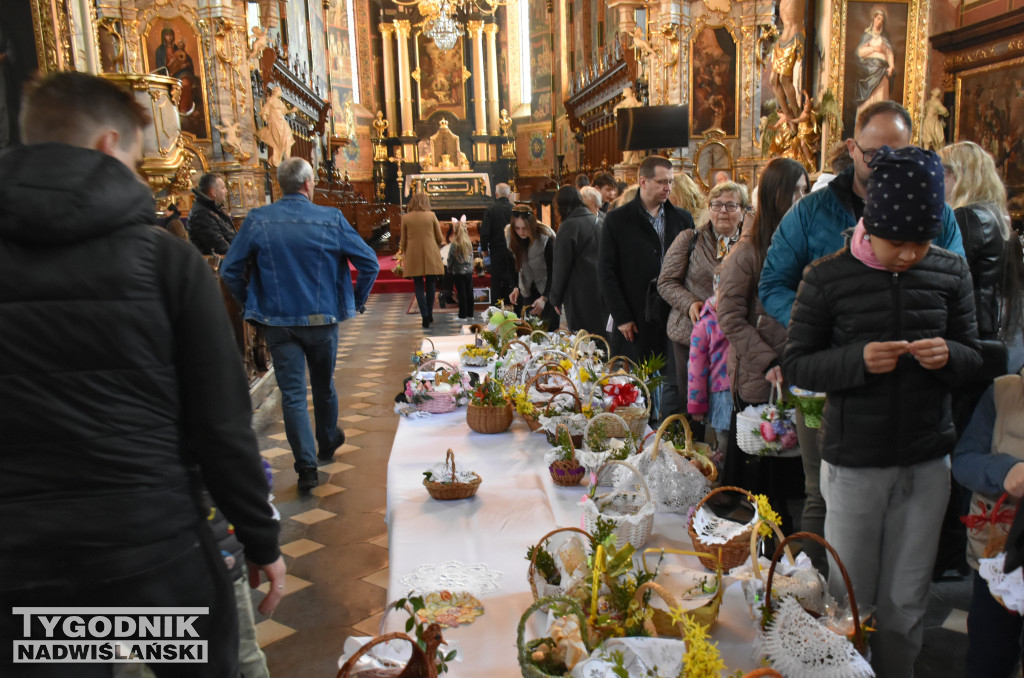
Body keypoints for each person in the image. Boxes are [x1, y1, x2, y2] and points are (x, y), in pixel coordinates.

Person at [0, 71, 285, 674]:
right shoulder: (166, 262)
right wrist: (258, 536)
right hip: (153, 552)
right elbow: (220, 424)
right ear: (110, 145)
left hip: (24, 565)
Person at [783, 146, 982, 678]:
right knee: (851, 597)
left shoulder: (950, 271)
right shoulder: (827, 276)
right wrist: (858, 360)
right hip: (855, 462)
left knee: (907, 599)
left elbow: (974, 355)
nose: (910, 254)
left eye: (923, 242)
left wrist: (950, 355)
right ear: (871, 225)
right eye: (898, 242)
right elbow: (798, 363)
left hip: (926, 460)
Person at [221, 157, 379, 492]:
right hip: (321, 319)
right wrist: (356, 300)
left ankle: (306, 467)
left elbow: (229, 269)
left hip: (278, 321)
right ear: (309, 184)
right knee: (323, 386)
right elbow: (370, 263)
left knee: (292, 394)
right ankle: (327, 440)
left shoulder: (258, 219)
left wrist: (250, 302)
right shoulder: (330, 218)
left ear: (281, 185)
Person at [759, 100, 965, 329]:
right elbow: (774, 285)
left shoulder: (938, 214)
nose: (884, 163)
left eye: (896, 154)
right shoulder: (808, 212)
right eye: (872, 153)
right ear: (852, 148)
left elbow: (956, 284)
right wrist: (817, 326)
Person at [717, 158, 809, 541]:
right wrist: (767, 359)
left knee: (791, 470)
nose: (803, 199)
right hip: (762, 376)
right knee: (759, 476)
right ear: (776, 196)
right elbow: (730, 317)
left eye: (806, 191)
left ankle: (786, 548)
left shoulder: (803, 243)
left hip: (798, 371)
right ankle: (756, 548)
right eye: (796, 192)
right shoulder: (748, 252)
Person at [953, 370, 1024, 678]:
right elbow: (964, 461)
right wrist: (1004, 471)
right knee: (989, 656)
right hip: (999, 555)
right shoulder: (1004, 392)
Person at [658, 181, 746, 417]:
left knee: (731, 401)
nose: (722, 211)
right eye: (716, 205)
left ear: (743, 210)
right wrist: (690, 303)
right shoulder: (690, 239)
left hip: (735, 336)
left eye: (731, 205)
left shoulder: (751, 245)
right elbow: (666, 281)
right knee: (692, 402)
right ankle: (692, 437)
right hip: (691, 332)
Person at [600, 156, 695, 366]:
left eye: (670, 182)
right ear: (643, 182)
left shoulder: (683, 218)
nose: (668, 187)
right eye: (662, 182)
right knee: (637, 378)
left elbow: (691, 266)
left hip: (673, 315)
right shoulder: (617, 220)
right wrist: (622, 316)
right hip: (635, 315)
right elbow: (606, 272)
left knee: (673, 378)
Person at [550, 185, 607, 336]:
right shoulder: (600, 221)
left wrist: (556, 298)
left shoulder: (568, 226)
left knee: (583, 338)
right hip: (602, 288)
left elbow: (561, 267)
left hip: (579, 293)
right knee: (601, 335)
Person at [687, 274, 731, 461]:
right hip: (722, 394)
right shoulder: (705, 324)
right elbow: (696, 368)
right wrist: (696, 404)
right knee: (724, 445)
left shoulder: (742, 317)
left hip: (743, 392)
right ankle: (721, 474)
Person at [507, 204, 559, 330]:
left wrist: (544, 298)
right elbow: (511, 264)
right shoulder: (511, 237)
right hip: (527, 288)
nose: (521, 232)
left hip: (548, 288)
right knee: (530, 330)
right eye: (517, 228)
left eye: (525, 228)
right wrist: (515, 287)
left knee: (549, 330)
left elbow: (553, 272)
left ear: (532, 225)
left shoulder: (545, 238)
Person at [400, 192, 444, 328]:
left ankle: (424, 315)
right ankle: (429, 314)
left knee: (418, 285)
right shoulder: (431, 215)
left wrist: (405, 253)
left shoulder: (406, 218)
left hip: (414, 254)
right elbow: (440, 237)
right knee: (431, 284)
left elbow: (403, 241)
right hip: (430, 252)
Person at [854, 8, 896, 118]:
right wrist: (873, 49)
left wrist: (891, 67)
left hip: (882, 71)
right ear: (874, 18)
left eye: (882, 20)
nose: (879, 22)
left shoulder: (884, 38)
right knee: (868, 101)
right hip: (868, 70)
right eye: (878, 19)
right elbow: (860, 52)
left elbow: (889, 53)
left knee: (880, 99)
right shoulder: (867, 36)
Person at [480, 182, 515, 307]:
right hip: (513, 250)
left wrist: (484, 249)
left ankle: (495, 310)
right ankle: (514, 309)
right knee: (512, 279)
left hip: (496, 250)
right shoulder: (514, 209)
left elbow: (485, 232)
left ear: (496, 194)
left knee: (496, 282)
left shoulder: (491, 210)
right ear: (509, 195)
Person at [188, 172, 235, 255]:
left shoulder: (215, 209)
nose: (226, 191)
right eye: (223, 188)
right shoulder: (201, 214)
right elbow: (221, 247)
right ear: (213, 192)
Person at [447, 219, 475, 319]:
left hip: (458, 272)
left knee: (461, 293)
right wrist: (471, 268)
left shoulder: (454, 244)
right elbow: (472, 256)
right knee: (469, 292)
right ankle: (470, 313)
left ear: (455, 231)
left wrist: (449, 269)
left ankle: (462, 314)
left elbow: (450, 259)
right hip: (468, 271)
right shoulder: (468, 243)